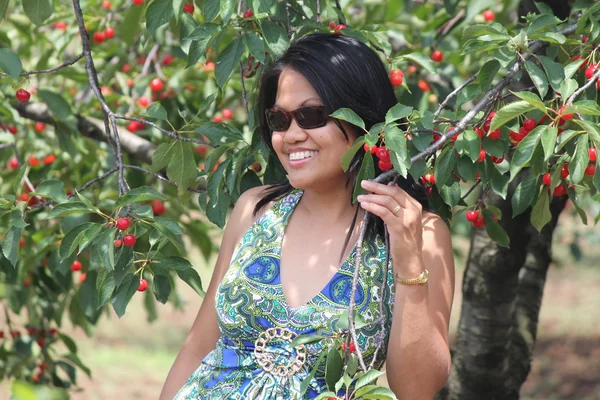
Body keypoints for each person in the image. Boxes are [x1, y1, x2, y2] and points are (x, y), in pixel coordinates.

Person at [160, 32, 455, 400]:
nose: (291, 135)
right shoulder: (255, 209)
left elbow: (417, 390)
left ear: (364, 119)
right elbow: (196, 347)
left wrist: (409, 263)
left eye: (311, 115)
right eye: (279, 120)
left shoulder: (419, 232)